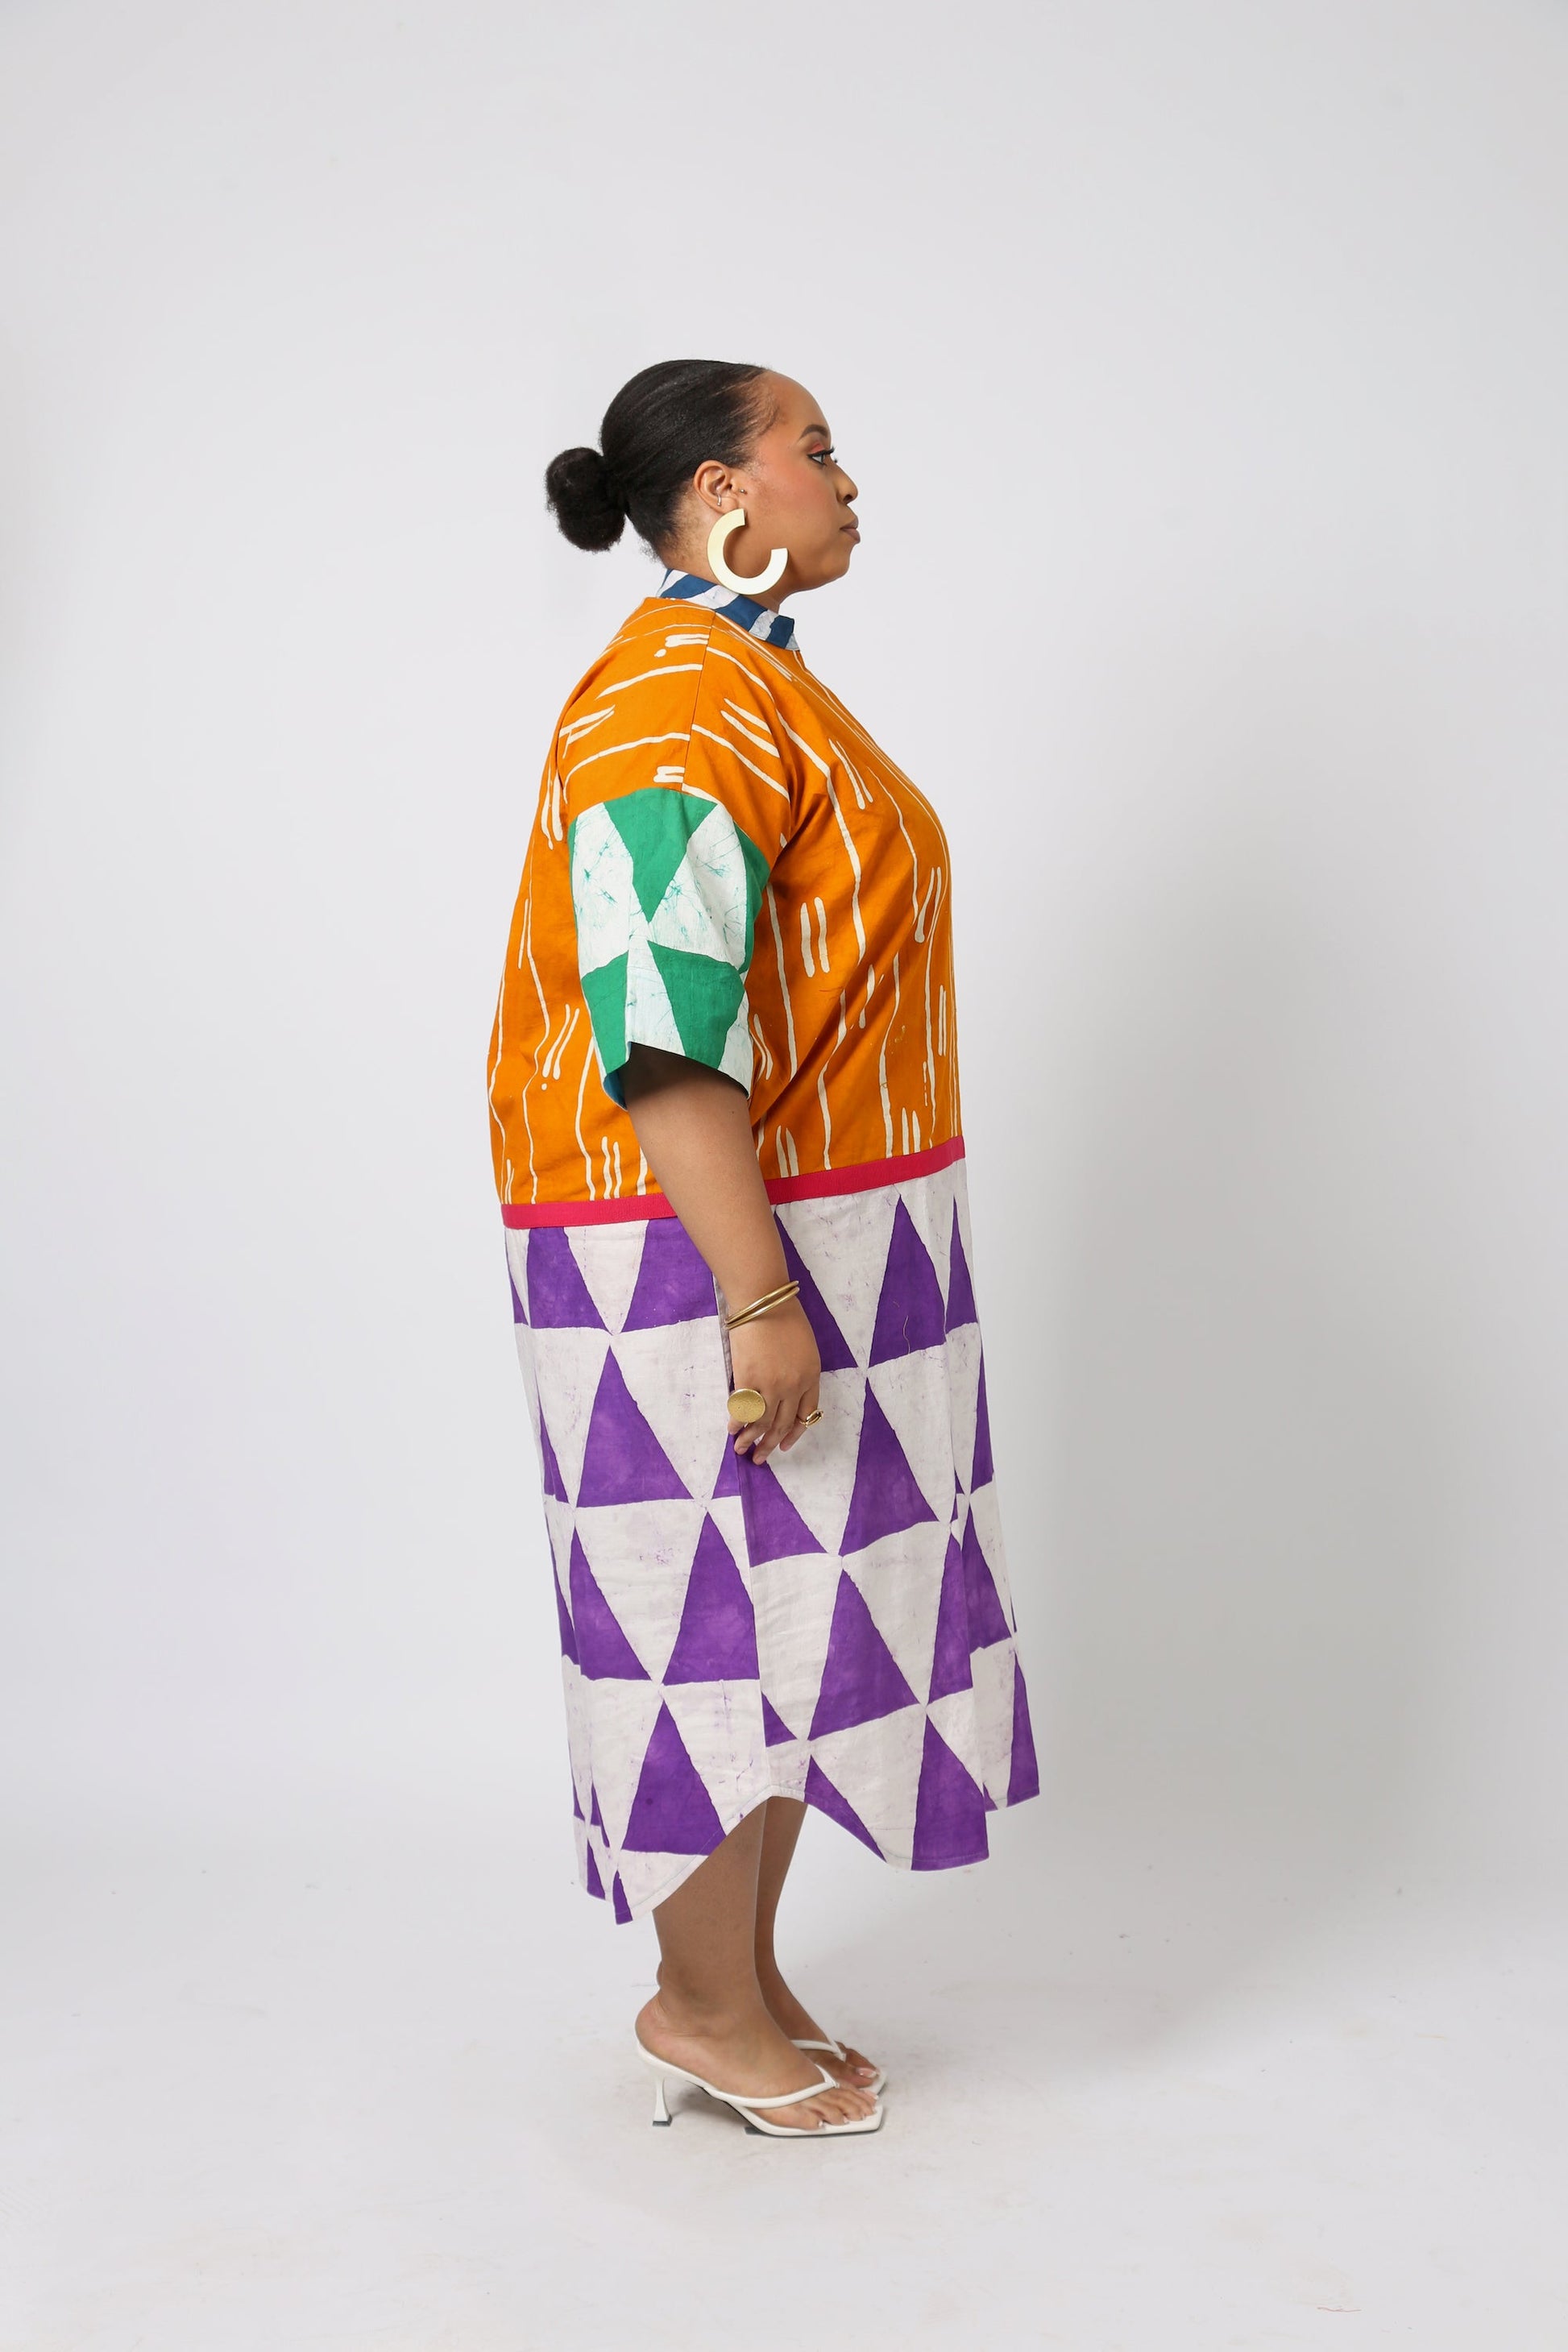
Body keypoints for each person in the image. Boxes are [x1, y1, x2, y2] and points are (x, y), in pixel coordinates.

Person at [487, 360, 1039, 2138]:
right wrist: (754, 1296)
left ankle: (744, 1974)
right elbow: (659, 1033)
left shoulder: (753, 678)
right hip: (687, 1248)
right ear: (722, 493)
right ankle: (702, 2002)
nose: (847, 480)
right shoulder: (672, 702)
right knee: (704, 1633)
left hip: (831, 1228)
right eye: (816, 449)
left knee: (793, 1629)